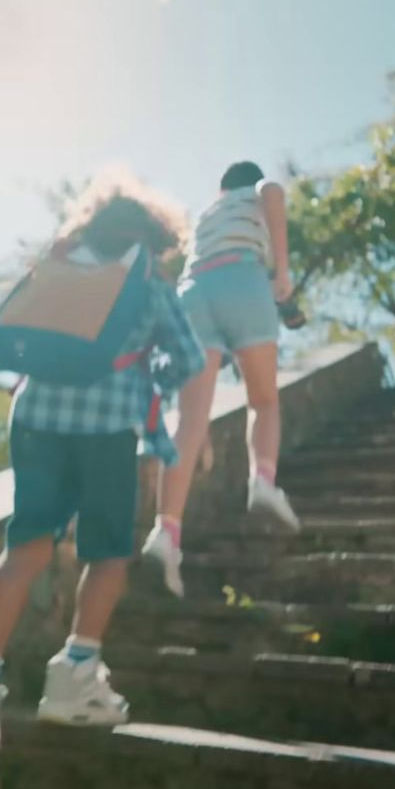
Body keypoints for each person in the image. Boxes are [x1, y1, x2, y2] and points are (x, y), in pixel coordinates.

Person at [0, 173, 205, 789]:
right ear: (154, 238)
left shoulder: (59, 264)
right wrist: (148, 365)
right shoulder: (149, 284)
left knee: (25, 547)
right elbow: (187, 362)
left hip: (35, 422)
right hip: (105, 430)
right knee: (106, 553)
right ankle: (76, 673)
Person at [142, 161, 302, 597]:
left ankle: (166, 533)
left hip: (194, 293)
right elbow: (272, 189)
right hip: (244, 280)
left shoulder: (208, 216)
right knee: (263, 400)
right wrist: (281, 271)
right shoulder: (254, 194)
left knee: (191, 419)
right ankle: (263, 482)